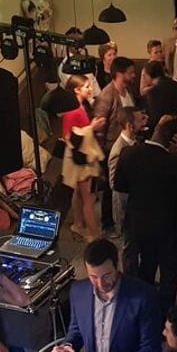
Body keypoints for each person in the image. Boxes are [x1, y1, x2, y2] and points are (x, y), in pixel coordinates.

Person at [114, 119, 177, 318]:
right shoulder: (174, 162)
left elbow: (119, 185)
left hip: (141, 225)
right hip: (171, 229)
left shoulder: (129, 153)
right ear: (174, 141)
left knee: (146, 269)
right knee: (169, 276)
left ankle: (143, 312)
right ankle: (165, 316)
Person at [94, 56, 137, 238]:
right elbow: (99, 127)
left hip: (128, 146)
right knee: (109, 188)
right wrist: (100, 155)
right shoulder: (107, 95)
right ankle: (107, 224)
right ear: (120, 74)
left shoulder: (128, 92)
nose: (134, 75)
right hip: (111, 148)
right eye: (130, 72)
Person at [61, 74, 106, 242]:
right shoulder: (72, 111)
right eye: (87, 86)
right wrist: (91, 128)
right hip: (79, 158)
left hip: (82, 155)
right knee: (89, 198)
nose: (90, 89)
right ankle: (94, 235)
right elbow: (68, 137)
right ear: (77, 90)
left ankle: (78, 224)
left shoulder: (82, 106)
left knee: (80, 193)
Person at [108, 106, 149, 271]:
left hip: (138, 207)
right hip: (127, 210)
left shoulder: (136, 143)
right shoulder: (119, 150)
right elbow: (114, 183)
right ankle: (130, 278)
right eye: (140, 120)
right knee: (130, 249)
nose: (144, 122)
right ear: (130, 126)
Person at [142, 60, 177, 129]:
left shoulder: (153, 92)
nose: (144, 78)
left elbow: (154, 119)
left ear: (149, 75)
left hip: (162, 129)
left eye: (145, 75)